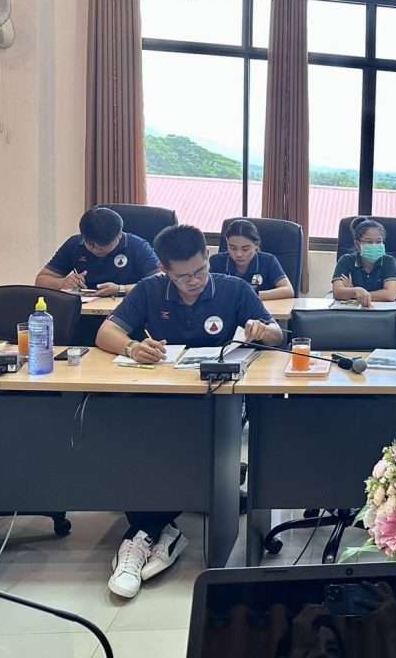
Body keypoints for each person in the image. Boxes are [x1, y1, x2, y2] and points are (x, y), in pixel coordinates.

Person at [95, 224, 283, 599]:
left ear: (208, 258)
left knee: (169, 448)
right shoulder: (149, 289)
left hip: (218, 403)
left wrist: (263, 331)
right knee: (137, 439)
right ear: (164, 270)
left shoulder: (234, 289)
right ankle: (157, 532)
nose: (194, 281)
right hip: (161, 400)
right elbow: (105, 333)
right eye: (183, 276)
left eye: (200, 271)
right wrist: (132, 348)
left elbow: (276, 333)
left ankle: (145, 533)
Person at [35, 206, 160, 296]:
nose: (95, 250)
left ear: (119, 236)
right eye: (90, 245)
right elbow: (41, 280)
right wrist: (62, 283)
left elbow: (159, 283)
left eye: (102, 247)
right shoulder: (74, 244)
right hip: (83, 314)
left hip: (125, 314)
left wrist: (121, 289)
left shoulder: (138, 246)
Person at [209, 219, 295, 301]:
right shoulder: (216, 261)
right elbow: (206, 290)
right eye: (233, 248)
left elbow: (288, 290)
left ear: (256, 245)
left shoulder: (268, 261)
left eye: (245, 249)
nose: (239, 254)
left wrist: (250, 295)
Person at [331, 218, 396, 307]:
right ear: (357, 244)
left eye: (379, 241)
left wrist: (352, 292)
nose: (374, 245)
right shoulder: (346, 260)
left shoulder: (389, 261)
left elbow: (390, 294)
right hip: (353, 312)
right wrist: (356, 291)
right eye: (369, 242)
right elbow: (337, 292)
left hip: (382, 312)